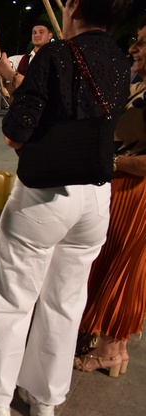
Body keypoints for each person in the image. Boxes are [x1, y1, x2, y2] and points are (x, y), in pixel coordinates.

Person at [0, 0, 131, 416]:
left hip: (46, 196)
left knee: (11, 299)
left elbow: (15, 133)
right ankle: (46, 398)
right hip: (96, 199)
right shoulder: (121, 60)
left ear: (74, 7)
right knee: (66, 302)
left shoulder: (57, 53)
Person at [75, 15, 146, 377]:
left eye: (143, 42)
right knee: (115, 266)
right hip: (119, 187)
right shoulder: (138, 83)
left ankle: (109, 352)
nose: (133, 47)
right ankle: (114, 346)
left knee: (122, 270)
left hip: (136, 194)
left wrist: (111, 160)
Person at [0, 21, 53, 95]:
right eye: (34, 32)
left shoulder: (56, 60)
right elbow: (1, 66)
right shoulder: (21, 60)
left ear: (50, 35)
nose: (37, 35)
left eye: (41, 32)